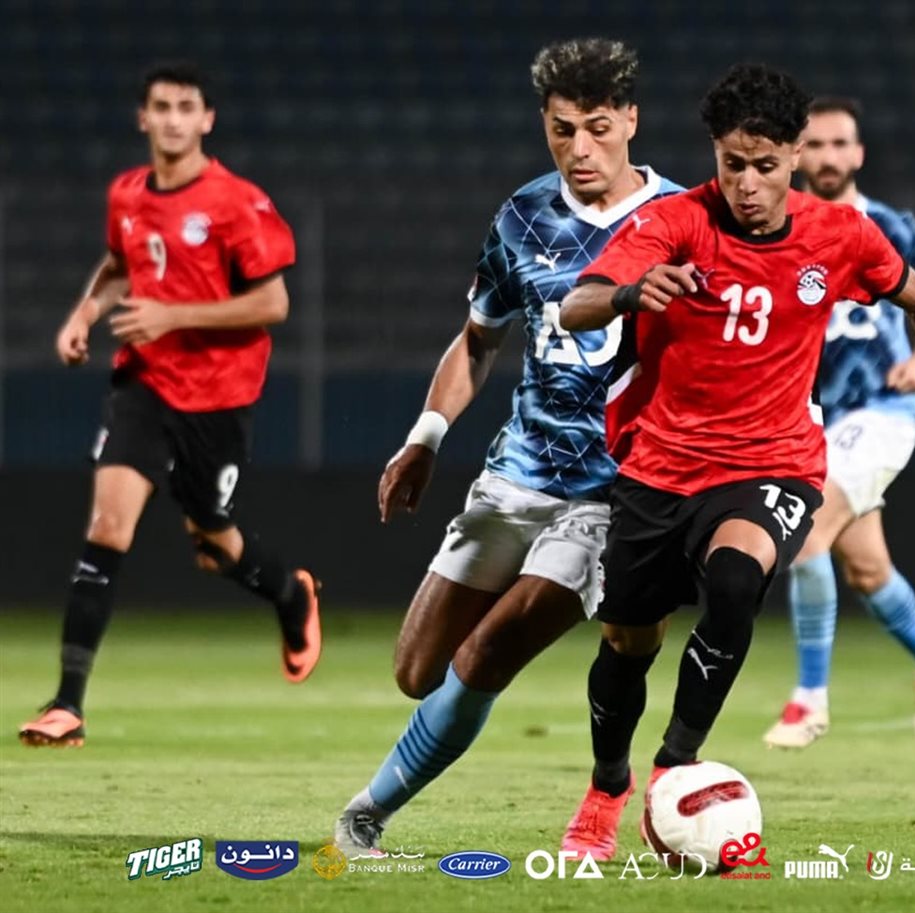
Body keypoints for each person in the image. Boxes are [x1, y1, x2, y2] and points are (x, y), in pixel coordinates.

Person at [556, 63, 915, 861]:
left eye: (764, 165)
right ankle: (606, 785)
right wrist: (633, 292)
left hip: (773, 460)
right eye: (732, 163)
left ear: (795, 156)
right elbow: (577, 302)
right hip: (661, 464)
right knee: (629, 641)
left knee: (737, 581)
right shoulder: (675, 222)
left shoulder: (839, 235)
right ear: (715, 152)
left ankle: (673, 767)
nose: (746, 183)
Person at [332, 38, 682, 853]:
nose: (580, 148)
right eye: (563, 130)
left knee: (492, 647)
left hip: (613, 489)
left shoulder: (681, 219)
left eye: (598, 127)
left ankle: (364, 816)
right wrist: (425, 437)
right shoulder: (521, 217)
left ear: (631, 120)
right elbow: (478, 341)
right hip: (516, 474)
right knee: (417, 669)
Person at [18, 62, 321, 748]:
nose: (174, 119)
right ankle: (67, 704)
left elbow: (273, 301)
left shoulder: (237, 202)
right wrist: (84, 315)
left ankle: (290, 593)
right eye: (162, 107)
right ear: (143, 118)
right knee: (107, 525)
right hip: (145, 386)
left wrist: (172, 314)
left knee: (213, 540)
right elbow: (120, 265)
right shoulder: (126, 193)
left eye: (187, 107)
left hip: (219, 397)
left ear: (207, 119)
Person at [763, 97, 915, 750]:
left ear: (858, 153)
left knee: (804, 535)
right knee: (867, 570)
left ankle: (809, 699)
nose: (828, 156)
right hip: (814, 421)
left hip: (880, 411)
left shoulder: (889, 225)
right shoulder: (778, 230)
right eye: (816, 144)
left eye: (840, 144)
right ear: (797, 155)